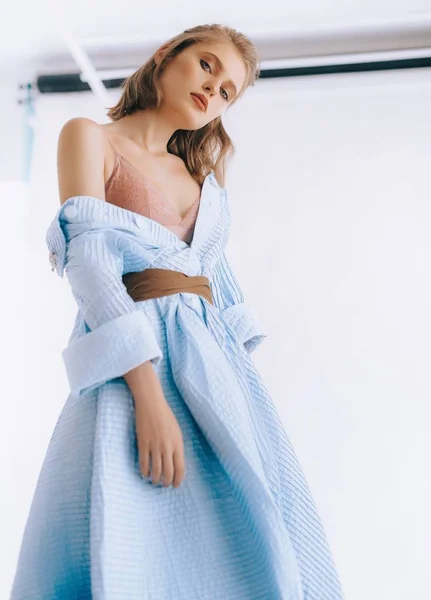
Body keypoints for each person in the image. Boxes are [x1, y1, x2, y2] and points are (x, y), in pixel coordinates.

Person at [10, 24, 344, 600]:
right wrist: (146, 392)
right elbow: (89, 265)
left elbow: (221, 290)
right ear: (168, 55)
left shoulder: (203, 180)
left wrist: (244, 397)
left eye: (228, 92)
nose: (213, 91)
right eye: (208, 66)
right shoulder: (89, 137)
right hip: (135, 365)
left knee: (249, 534)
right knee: (134, 528)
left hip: (217, 374)